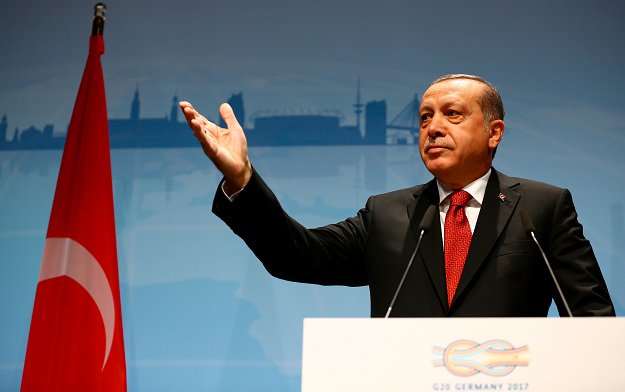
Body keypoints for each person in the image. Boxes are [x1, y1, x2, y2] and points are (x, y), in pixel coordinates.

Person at [179, 74, 614, 317]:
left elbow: (591, 319)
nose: (433, 127)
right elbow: (297, 255)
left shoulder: (543, 208)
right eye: (425, 117)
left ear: (493, 132)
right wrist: (242, 179)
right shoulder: (388, 214)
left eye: (452, 115)